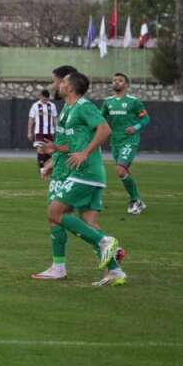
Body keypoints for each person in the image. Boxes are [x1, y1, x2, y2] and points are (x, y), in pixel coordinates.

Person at [33, 71, 125, 286]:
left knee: (54, 213)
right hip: (82, 172)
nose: (59, 84)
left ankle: (104, 242)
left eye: (63, 82)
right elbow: (71, 144)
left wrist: (85, 153)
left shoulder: (84, 106)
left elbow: (105, 130)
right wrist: (54, 153)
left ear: (71, 87)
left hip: (85, 172)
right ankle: (114, 271)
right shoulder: (68, 108)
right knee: (88, 223)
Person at [102, 72, 150, 215]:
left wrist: (135, 127)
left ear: (126, 85)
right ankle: (138, 201)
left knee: (121, 170)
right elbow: (99, 119)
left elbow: (146, 119)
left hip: (130, 141)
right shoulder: (108, 102)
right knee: (123, 173)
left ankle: (135, 200)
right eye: (114, 80)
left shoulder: (134, 101)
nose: (116, 82)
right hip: (115, 141)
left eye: (120, 80)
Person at [27, 89, 57, 180]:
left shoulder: (52, 105)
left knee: (50, 152)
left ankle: (47, 170)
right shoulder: (35, 106)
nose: (45, 101)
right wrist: (29, 132)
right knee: (40, 150)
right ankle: (41, 170)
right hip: (39, 132)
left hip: (50, 132)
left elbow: (55, 118)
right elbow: (31, 119)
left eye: (47, 99)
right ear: (41, 97)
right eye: (44, 99)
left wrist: (58, 129)